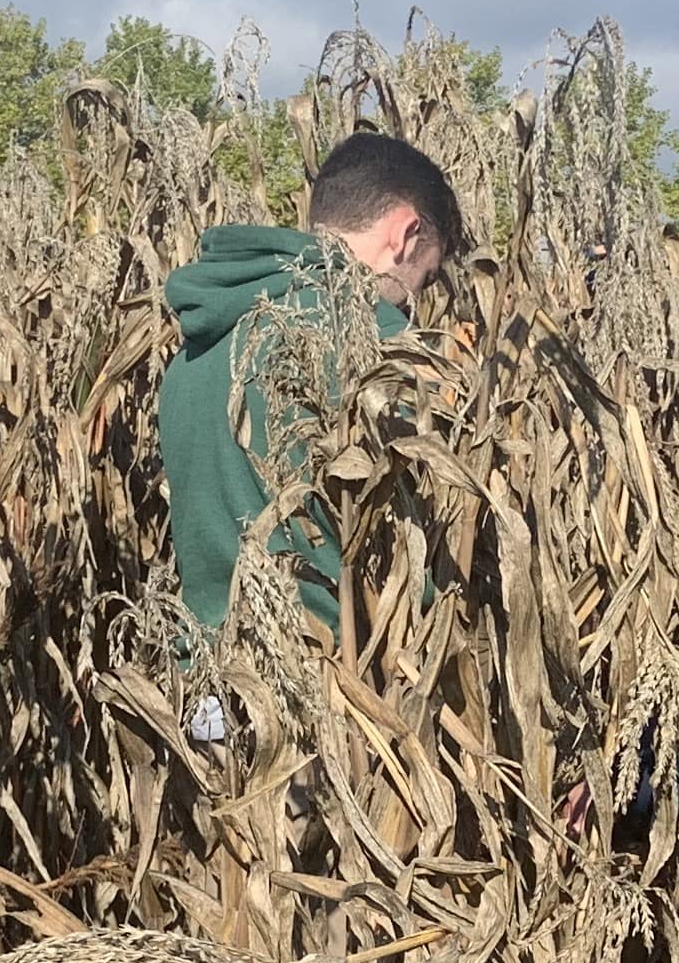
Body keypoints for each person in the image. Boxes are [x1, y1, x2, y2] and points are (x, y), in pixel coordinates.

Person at [156, 131, 460, 639]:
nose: (411, 305)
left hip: (203, 685)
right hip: (328, 684)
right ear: (405, 234)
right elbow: (412, 549)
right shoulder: (375, 345)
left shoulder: (192, 350)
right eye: (424, 279)